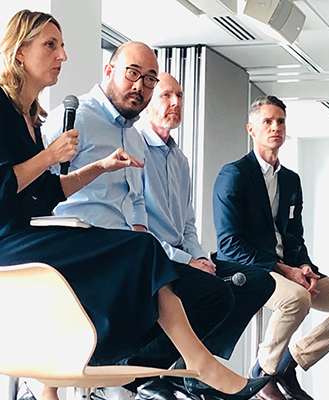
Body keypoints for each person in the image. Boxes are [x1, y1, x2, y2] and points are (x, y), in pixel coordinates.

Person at [0, 10, 269, 400]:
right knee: (142, 250)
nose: (62, 55)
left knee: (160, 263)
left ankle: (60, 384)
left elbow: (45, 193)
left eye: (62, 46)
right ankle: (198, 365)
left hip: (21, 235)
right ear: (20, 52)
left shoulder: (29, 116)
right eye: (50, 45)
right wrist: (50, 155)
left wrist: (97, 168)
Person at [44, 43, 250, 399]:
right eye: (133, 73)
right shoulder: (76, 117)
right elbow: (43, 189)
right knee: (148, 256)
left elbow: (136, 204)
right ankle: (194, 365)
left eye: (150, 79)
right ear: (109, 71)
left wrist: (143, 236)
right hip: (84, 252)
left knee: (215, 296)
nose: (141, 85)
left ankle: (136, 373)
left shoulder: (134, 138)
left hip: (126, 256)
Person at [212, 95, 329, 400]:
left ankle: (290, 361)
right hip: (248, 270)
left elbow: (294, 237)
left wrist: (305, 268)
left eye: (281, 121)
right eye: (268, 121)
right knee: (297, 298)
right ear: (252, 129)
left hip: (288, 270)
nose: (276, 127)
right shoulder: (233, 175)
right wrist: (285, 270)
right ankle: (263, 374)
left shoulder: (290, 180)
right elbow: (229, 244)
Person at [129, 73, 276, 400]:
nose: (176, 103)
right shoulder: (134, 148)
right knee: (215, 293)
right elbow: (137, 226)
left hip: (184, 256)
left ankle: (191, 368)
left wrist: (199, 256)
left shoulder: (180, 159)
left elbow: (188, 222)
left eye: (180, 96)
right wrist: (186, 260)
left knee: (259, 282)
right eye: (166, 96)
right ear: (150, 102)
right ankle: (152, 372)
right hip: (156, 259)